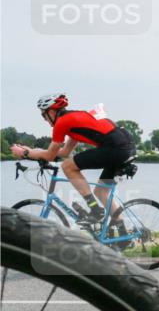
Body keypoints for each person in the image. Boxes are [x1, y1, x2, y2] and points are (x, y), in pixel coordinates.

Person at [10, 93, 136, 225]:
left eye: (43, 114)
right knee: (101, 192)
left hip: (115, 149)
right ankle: (123, 234)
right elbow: (64, 152)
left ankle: (95, 209)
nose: (44, 119)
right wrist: (31, 151)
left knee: (67, 166)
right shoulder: (73, 120)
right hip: (124, 148)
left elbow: (50, 156)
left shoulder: (62, 122)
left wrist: (25, 153)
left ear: (51, 112)